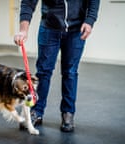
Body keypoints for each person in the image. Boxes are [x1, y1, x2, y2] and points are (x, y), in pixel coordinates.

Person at [14, 0, 100, 132]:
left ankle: (68, 113)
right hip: (49, 28)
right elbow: (28, 2)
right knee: (43, 72)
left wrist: (89, 21)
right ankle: (36, 111)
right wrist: (23, 30)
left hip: (76, 30)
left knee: (70, 72)